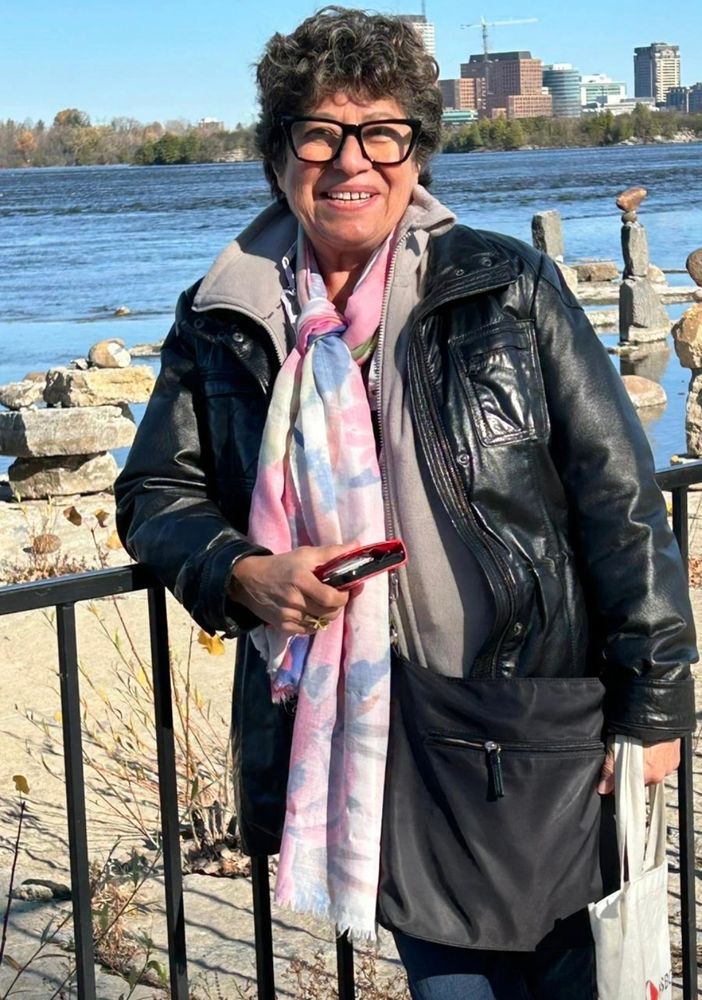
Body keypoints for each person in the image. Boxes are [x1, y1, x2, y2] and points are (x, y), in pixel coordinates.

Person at [114, 7, 696, 998]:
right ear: (278, 154)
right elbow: (154, 490)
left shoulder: (503, 286)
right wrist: (246, 572)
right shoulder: (226, 319)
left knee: (588, 976)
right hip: (379, 748)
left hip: (541, 720)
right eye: (320, 132)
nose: (353, 160)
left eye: (383, 132)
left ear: (416, 153)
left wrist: (657, 701)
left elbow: (620, 499)